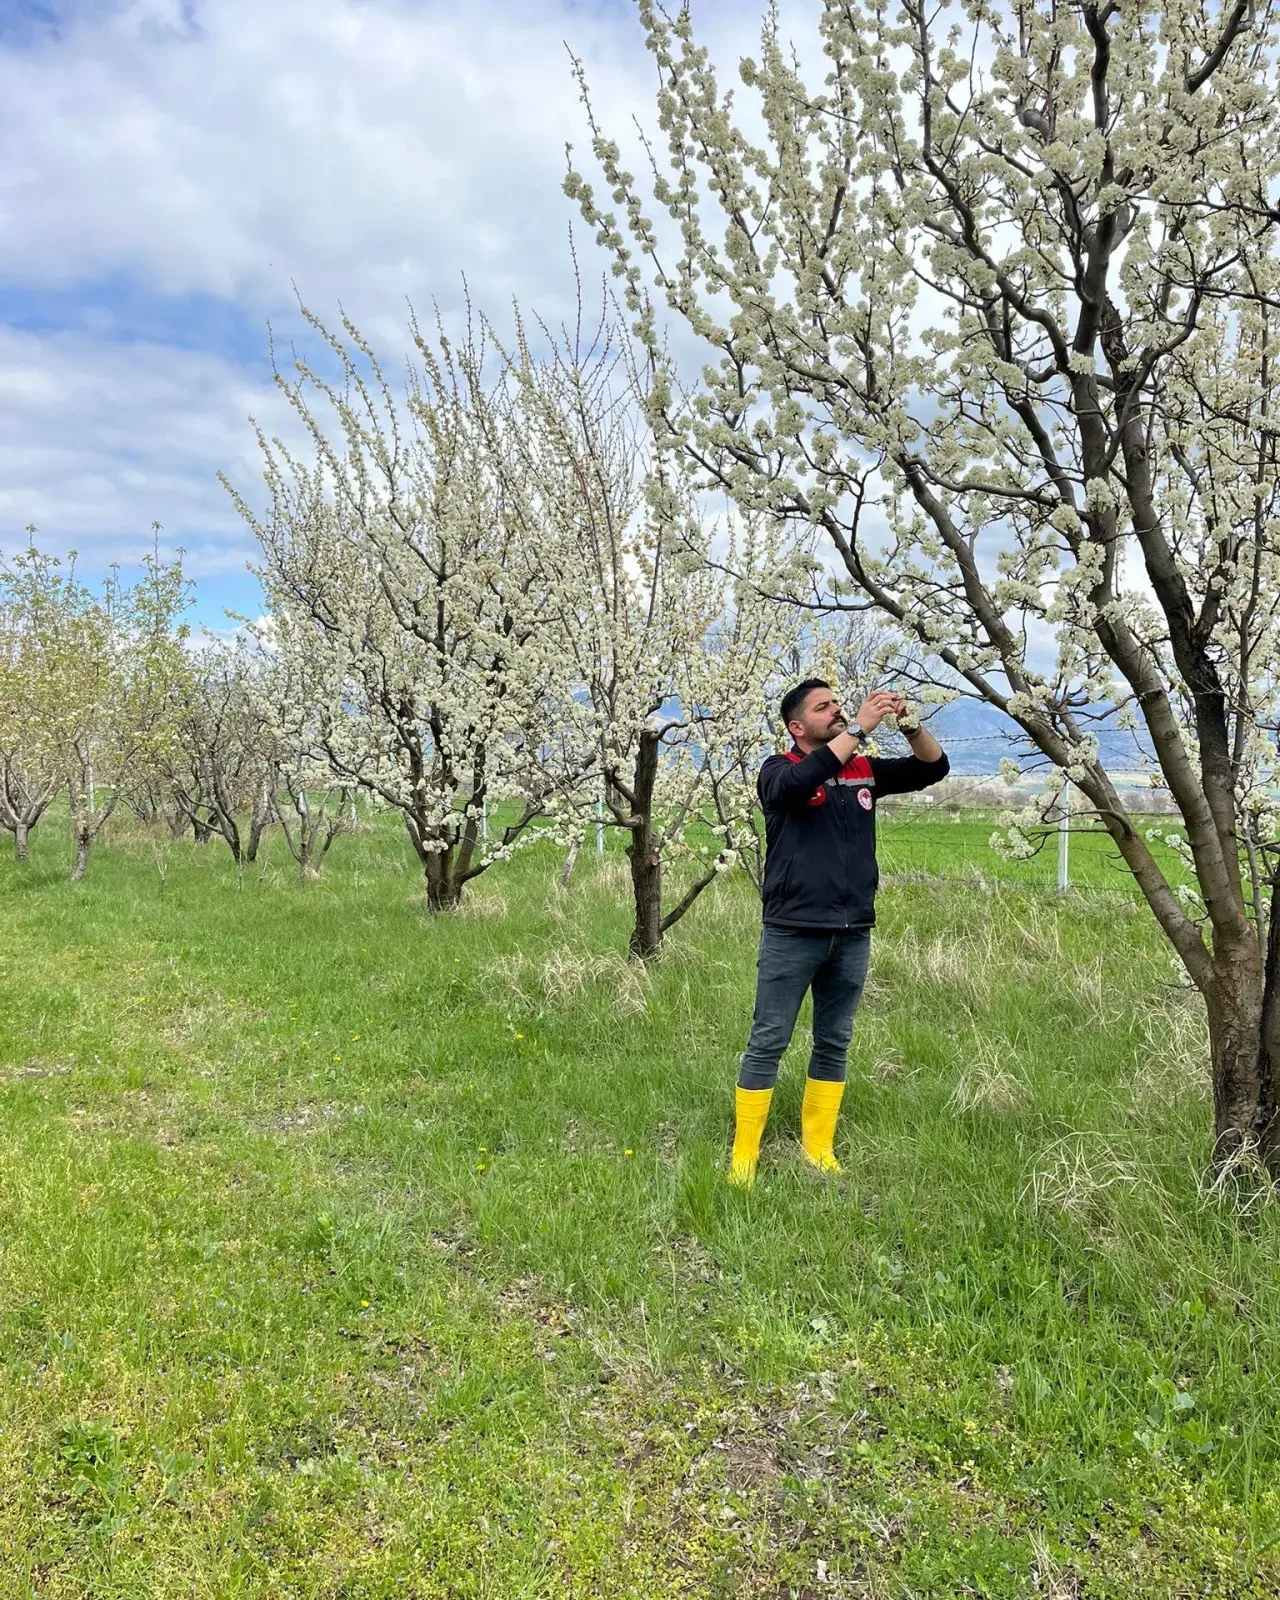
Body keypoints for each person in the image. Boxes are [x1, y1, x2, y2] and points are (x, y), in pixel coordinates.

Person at [729, 679, 950, 1186]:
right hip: (792, 931)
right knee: (768, 1040)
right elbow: (801, 782)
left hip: (852, 932)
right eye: (823, 707)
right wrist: (858, 727)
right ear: (797, 726)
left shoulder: (863, 770)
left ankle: (818, 1147)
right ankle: (745, 1155)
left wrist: (908, 723)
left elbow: (932, 768)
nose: (836, 711)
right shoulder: (778, 771)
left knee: (834, 1041)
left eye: (837, 704)